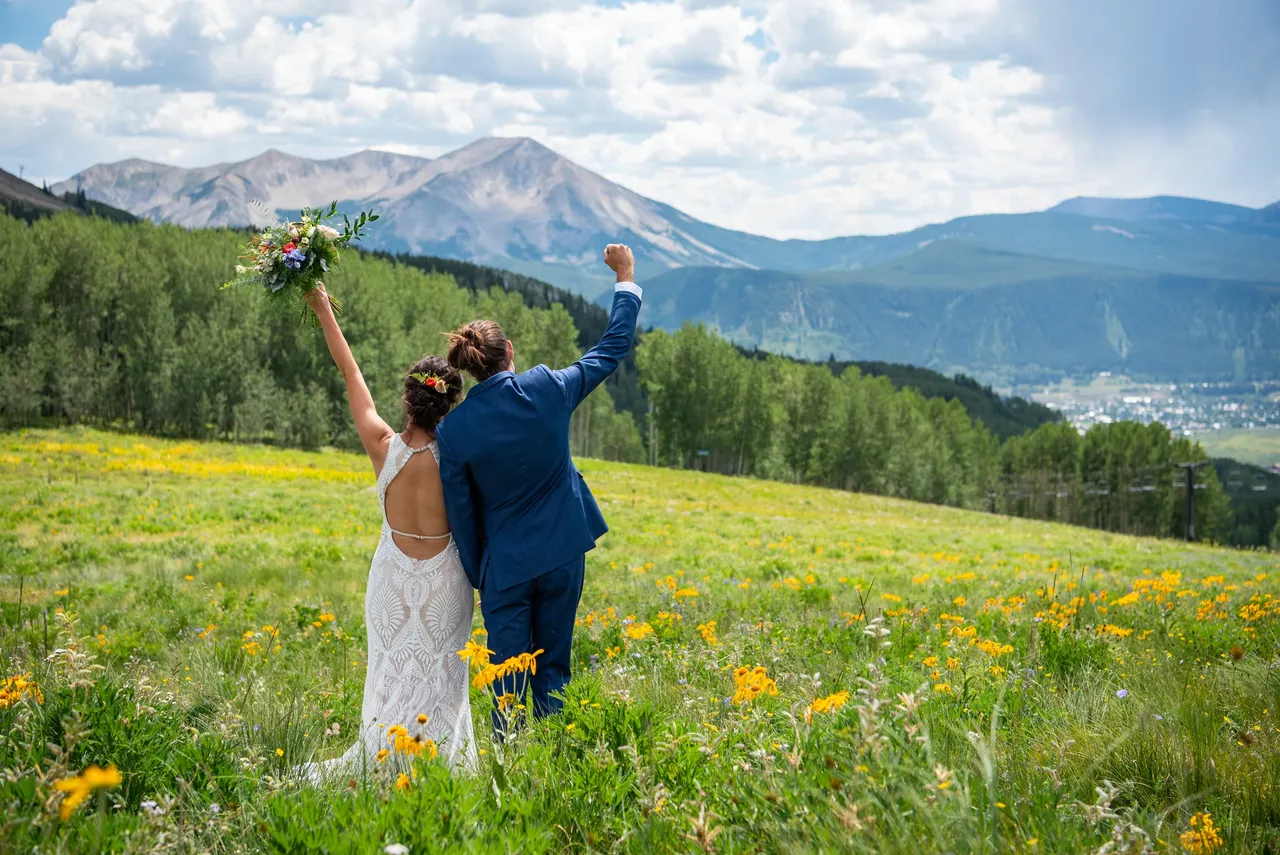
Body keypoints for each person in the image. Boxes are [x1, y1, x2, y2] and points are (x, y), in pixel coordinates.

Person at [437, 244, 641, 733]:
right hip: (562, 554)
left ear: (470, 368)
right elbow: (611, 348)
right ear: (509, 353)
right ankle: (556, 770)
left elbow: (461, 515)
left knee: (507, 686)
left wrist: (479, 572)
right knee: (556, 669)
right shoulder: (547, 387)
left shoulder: (454, 431)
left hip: (504, 570)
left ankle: (514, 776)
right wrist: (625, 277)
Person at [300, 283, 477, 777]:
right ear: (449, 405)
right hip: (448, 580)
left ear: (407, 397)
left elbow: (350, 371)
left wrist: (322, 309)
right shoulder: (459, 458)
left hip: (392, 581)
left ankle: (382, 762)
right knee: (444, 674)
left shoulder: (383, 446)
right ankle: (439, 767)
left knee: (387, 673)